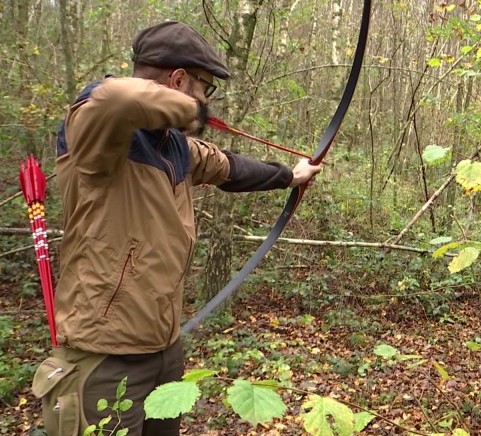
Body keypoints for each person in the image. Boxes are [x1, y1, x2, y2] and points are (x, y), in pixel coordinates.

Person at [31, 21, 321, 436]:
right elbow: (114, 96)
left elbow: (229, 167)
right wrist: (191, 111)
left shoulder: (174, 147)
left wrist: (289, 176)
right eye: (205, 87)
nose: (207, 98)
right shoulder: (98, 137)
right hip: (105, 355)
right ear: (179, 80)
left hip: (163, 349)